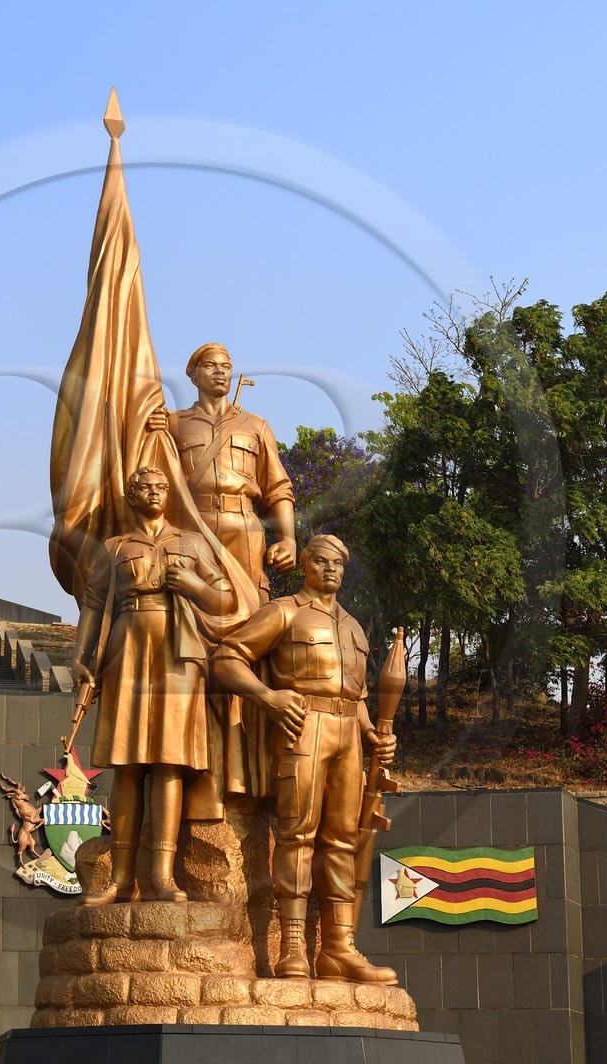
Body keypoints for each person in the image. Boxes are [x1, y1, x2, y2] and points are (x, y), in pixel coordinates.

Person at [211, 534, 398, 982]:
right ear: (305, 565)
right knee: (297, 834)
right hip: (304, 726)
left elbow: (358, 695)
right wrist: (268, 696)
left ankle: (338, 948)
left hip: (348, 735)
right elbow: (225, 658)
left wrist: (373, 735)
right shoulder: (283, 611)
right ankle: (292, 946)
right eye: (321, 560)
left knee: (342, 839)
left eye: (338, 562)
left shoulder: (353, 626)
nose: (331, 568)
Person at [71, 467, 234, 904]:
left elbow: (225, 598)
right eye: (146, 487)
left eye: (161, 487)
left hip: (178, 651)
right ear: (131, 495)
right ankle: (122, 879)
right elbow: (92, 604)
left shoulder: (192, 542)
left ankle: (162, 877)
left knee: (168, 761)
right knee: (126, 763)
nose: (155, 493)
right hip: (127, 648)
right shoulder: (115, 548)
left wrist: (196, 585)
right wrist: (78, 660)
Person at [147, 343, 295, 602]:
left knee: (250, 602)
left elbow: (278, 488)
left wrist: (288, 540)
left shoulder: (256, 426)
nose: (220, 372)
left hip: (243, 527)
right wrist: (148, 428)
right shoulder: (172, 422)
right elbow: (151, 474)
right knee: (188, 601)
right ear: (194, 377)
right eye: (211, 365)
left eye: (226, 367)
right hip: (191, 524)